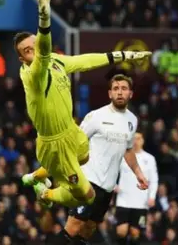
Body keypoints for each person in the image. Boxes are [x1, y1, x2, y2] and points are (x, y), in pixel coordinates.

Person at [16, 0, 152, 211]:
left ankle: (35, 176)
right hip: (54, 143)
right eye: (27, 50)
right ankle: (45, 193)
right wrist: (44, 19)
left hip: (71, 130)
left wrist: (123, 56)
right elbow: (43, 51)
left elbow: (86, 60)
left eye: (34, 46)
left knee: (84, 155)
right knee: (87, 195)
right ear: (22, 57)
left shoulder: (56, 62)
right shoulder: (33, 74)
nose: (34, 51)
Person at [62, 74, 149, 245]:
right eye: (115, 89)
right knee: (73, 227)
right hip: (88, 181)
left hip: (108, 187)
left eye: (124, 89)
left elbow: (128, 149)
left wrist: (138, 172)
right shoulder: (96, 116)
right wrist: (69, 173)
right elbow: (75, 143)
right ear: (109, 93)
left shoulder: (132, 120)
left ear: (130, 94)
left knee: (88, 230)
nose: (119, 92)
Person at [114, 132, 159, 245]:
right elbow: (112, 171)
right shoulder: (123, 156)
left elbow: (154, 180)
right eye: (134, 139)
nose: (136, 141)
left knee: (135, 232)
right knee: (121, 231)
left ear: (143, 140)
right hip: (123, 200)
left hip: (141, 202)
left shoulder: (149, 158)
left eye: (138, 138)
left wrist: (152, 197)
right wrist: (113, 186)